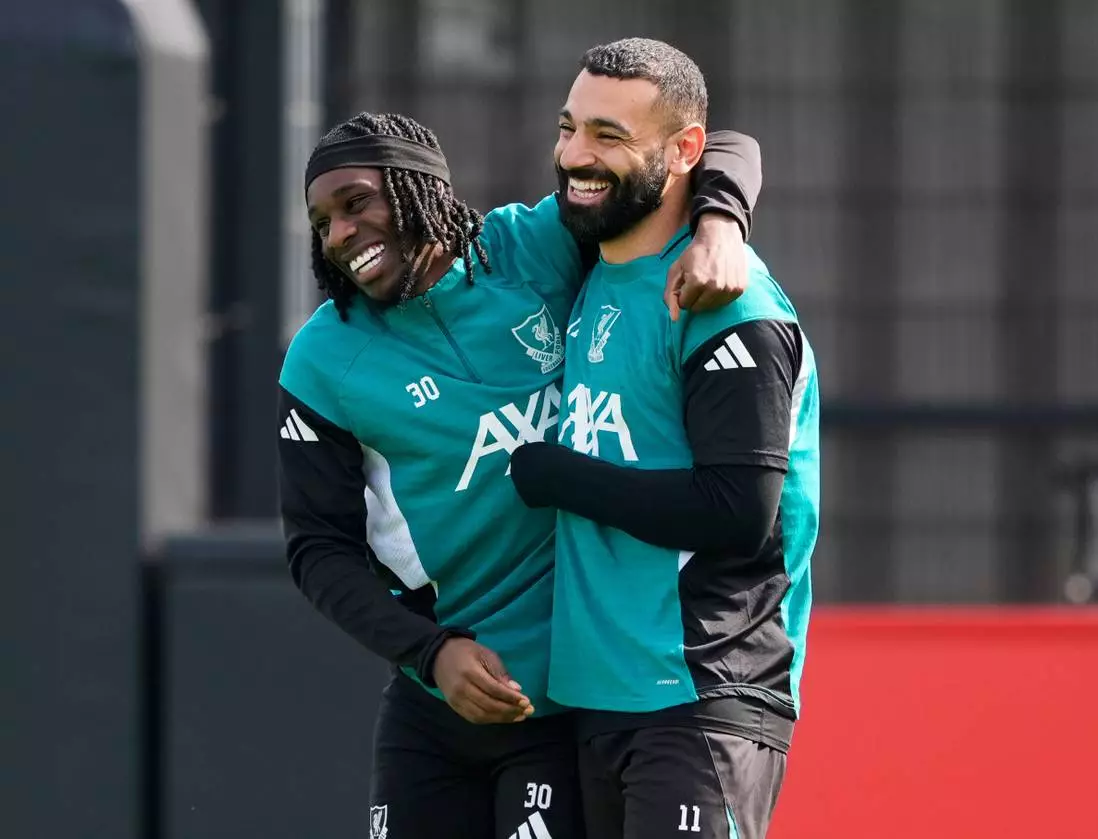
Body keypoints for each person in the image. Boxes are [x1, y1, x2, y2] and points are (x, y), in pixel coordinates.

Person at [278, 106, 762, 839]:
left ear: (420, 189)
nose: (339, 234)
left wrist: (721, 223)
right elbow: (318, 548)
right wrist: (430, 653)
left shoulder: (535, 247)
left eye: (356, 204)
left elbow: (719, 146)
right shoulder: (322, 360)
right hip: (433, 702)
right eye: (322, 223)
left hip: (559, 704)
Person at [509, 38, 820, 839]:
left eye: (608, 135)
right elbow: (734, 149)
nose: (576, 155)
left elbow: (735, 510)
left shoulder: (728, 300)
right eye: (569, 127)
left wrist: (556, 475)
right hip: (596, 697)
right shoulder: (591, 262)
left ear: (683, 152)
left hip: (701, 688)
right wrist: (723, 213)